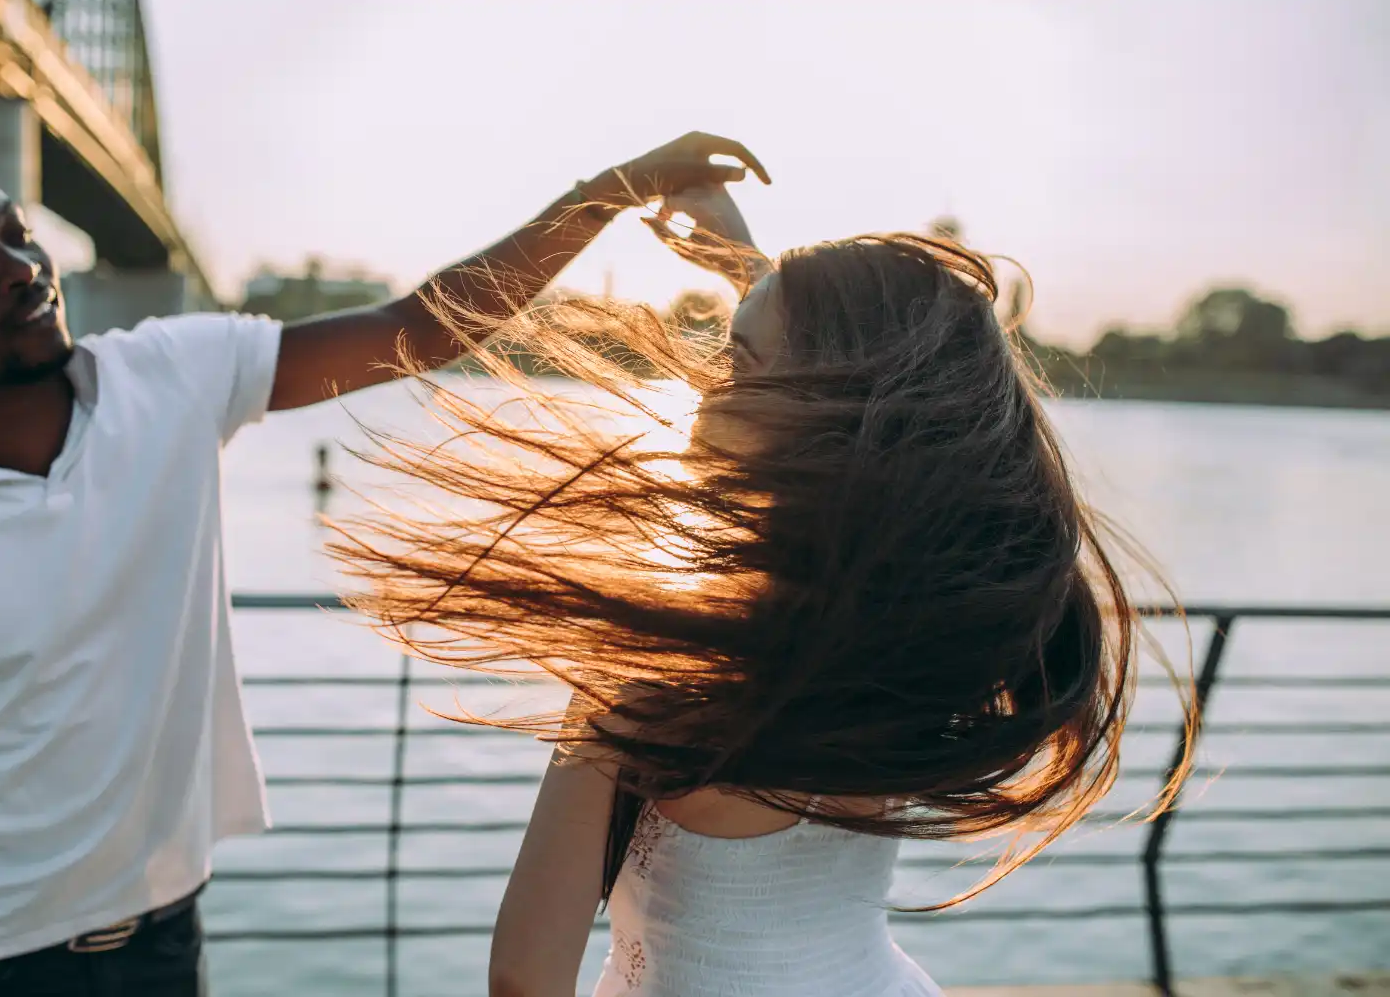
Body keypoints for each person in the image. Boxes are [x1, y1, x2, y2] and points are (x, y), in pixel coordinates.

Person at [0, 124, 768, 997]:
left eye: (14, 231)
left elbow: (418, 329)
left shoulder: (171, 377)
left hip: (168, 934)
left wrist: (609, 190)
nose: (16, 267)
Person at [332, 185, 1192, 996]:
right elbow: (864, 370)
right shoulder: (922, 627)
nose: (708, 390)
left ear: (818, 404)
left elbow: (525, 976)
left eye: (738, 363)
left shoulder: (653, 683)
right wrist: (743, 264)